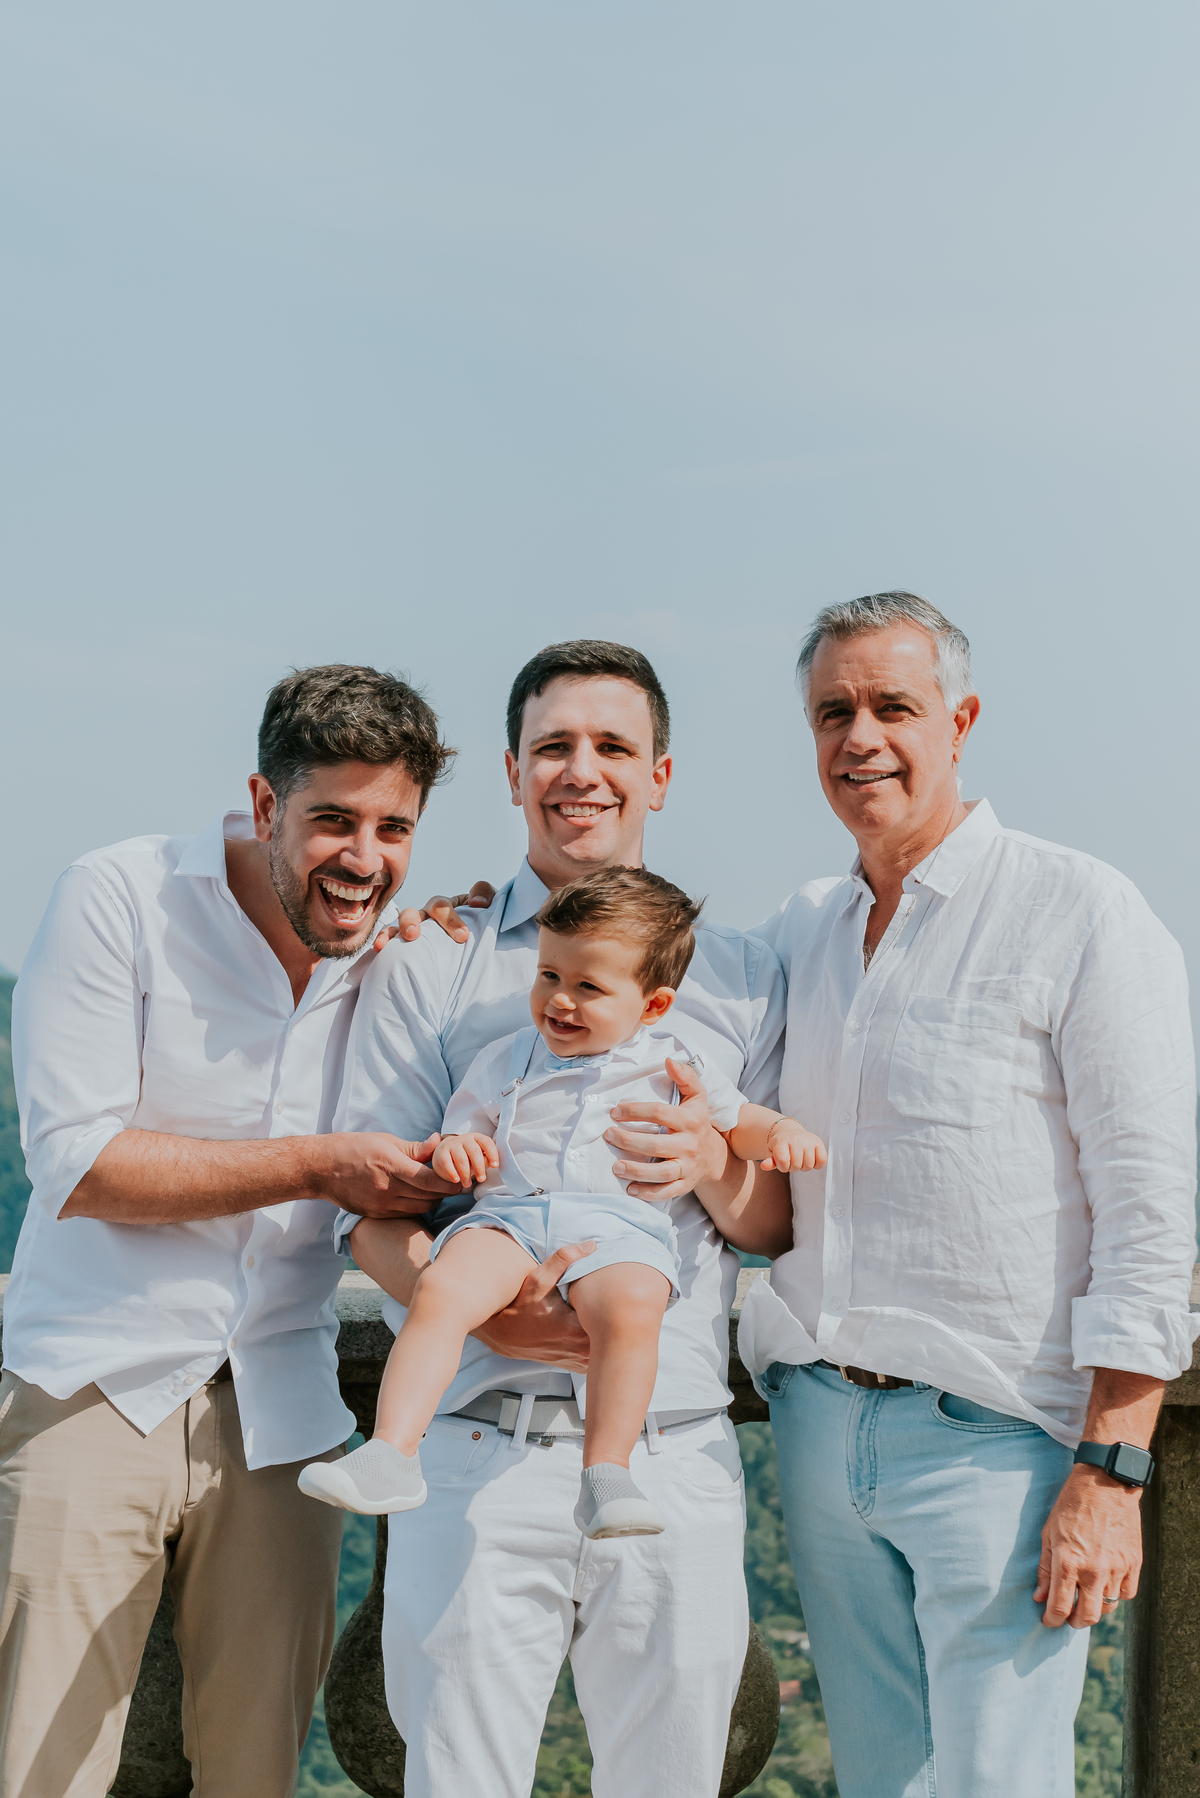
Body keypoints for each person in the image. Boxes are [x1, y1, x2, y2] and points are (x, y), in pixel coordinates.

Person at [737, 592, 1198, 1798]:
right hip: (822, 1427)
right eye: (832, 711)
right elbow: (641, 994)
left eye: (894, 705)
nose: (860, 737)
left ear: (962, 719)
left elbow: (1151, 1214)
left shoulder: (1081, 909)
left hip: (1000, 1446)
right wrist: (457, 931)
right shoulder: (803, 928)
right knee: (881, 1785)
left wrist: (1111, 1473)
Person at [338, 639, 792, 1798]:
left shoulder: (740, 978)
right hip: (476, 1447)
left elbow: (773, 1221)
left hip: (669, 1449)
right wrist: (490, 1315)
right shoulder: (429, 964)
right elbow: (370, 1219)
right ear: (511, 769)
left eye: (612, 747)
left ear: (661, 774)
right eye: (554, 746)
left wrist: (709, 1163)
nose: (581, 771)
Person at [1, 664, 457, 1798]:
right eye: (333, 821)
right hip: (92, 1387)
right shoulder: (119, 895)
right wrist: (317, 1162)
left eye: (393, 826)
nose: (364, 855)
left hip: (284, 1415)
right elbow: (79, 1163)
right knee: (39, 1775)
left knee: (255, 1778)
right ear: (265, 807)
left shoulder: (403, 961)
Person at [302, 868, 823, 1534]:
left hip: (622, 1230)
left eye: (587, 988)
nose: (559, 1002)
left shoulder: (674, 1059)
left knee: (633, 1305)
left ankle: (608, 1471)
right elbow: (464, 1129)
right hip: (512, 1219)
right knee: (443, 1288)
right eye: (548, 977)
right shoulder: (508, 1056)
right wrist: (458, 1152)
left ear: (654, 1006)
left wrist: (781, 1132)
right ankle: (391, 1451)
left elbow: (737, 1116)